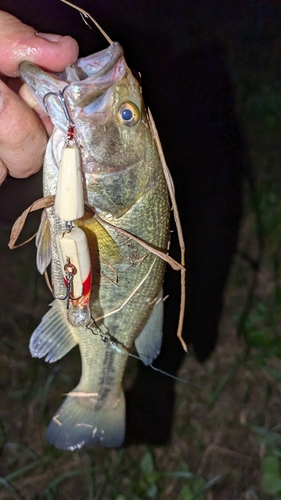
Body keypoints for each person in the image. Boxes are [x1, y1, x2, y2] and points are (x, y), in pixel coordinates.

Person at [0, 3, 245, 444]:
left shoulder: (103, 187)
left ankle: (101, 393)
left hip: (114, 313)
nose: (118, 107)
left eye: (125, 114)